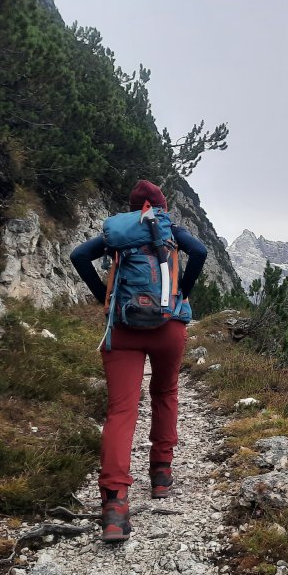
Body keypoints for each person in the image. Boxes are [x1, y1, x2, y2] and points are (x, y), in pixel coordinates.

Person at [70, 179, 207, 542]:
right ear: (162, 206)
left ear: (132, 208)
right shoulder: (169, 228)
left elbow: (79, 256)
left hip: (123, 327)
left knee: (121, 411)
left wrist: (104, 297)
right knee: (165, 392)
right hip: (169, 326)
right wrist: (182, 292)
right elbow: (200, 251)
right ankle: (161, 474)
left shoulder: (119, 232)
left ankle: (114, 507)